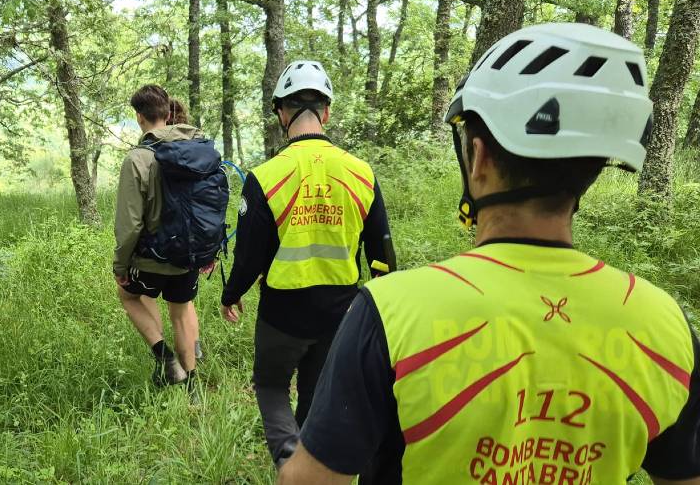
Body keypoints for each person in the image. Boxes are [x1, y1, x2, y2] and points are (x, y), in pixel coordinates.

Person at [279, 24, 700, 484]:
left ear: (478, 159)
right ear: (591, 169)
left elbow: (310, 480)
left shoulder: (392, 311)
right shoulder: (665, 325)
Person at [219, 60, 392, 467]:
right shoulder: (361, 173)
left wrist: (232, 294)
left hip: (282, 313)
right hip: (341, 312)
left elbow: (248, 256)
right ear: (326, 112)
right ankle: (309, 466)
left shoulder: (265, 177)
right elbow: (382, 254)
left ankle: (289, 464)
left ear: (282, 112)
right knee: (315, 393)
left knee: (270, 386)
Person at [114, 85, 204, 388]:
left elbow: (130, 224)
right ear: (168, 114)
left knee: (128, 295)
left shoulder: (138, 159)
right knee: (181, 314)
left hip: (152, 257)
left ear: (140, 117)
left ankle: (165, 358)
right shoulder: (198, 148)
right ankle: (192, 387)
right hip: (188, 254)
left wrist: (120, 266)